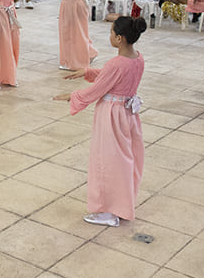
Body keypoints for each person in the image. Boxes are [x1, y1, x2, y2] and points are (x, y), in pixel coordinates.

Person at [54, 16, 147, 228]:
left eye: (112, 32)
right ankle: (122, 205)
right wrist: (87, 72)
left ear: (120, 38)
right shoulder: (138, 58)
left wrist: (73, 96)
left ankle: (107, 211)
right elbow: (113, 77)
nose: (110, 36)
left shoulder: (116, 63)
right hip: (128, 114)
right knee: (125, 160)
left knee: (107, 162)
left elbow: (100, 88)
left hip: (112, 115)